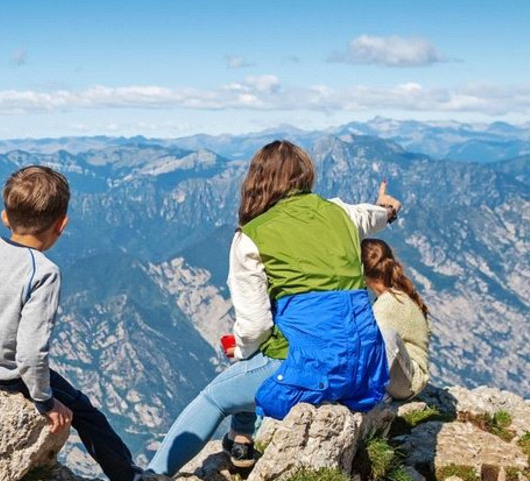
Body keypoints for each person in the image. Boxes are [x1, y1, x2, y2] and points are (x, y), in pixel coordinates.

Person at [146, 140, 400, 476]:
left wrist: (239, 349)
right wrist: (388, 209)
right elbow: (373, 216)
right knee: (261, 352)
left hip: (312, 370)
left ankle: (151, 475)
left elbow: (254, 328)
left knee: (215, 396)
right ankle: (241, 444)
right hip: (365, 368)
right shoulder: (341, 213)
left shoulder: (252, 237)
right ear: (305, 176)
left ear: (257, 182)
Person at [0, 165, 139, 481]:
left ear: (5, 217)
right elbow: (30, 354)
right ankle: (129, 476)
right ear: (61, 225)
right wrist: (46, 401)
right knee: (86, 413)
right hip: (6, 377)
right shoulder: (43, 272)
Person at [361, 238, 431, 400]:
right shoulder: (396, 295)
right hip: (404, 376)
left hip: (407, 382)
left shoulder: (389, 304)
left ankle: (374, 395)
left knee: (383, 336)